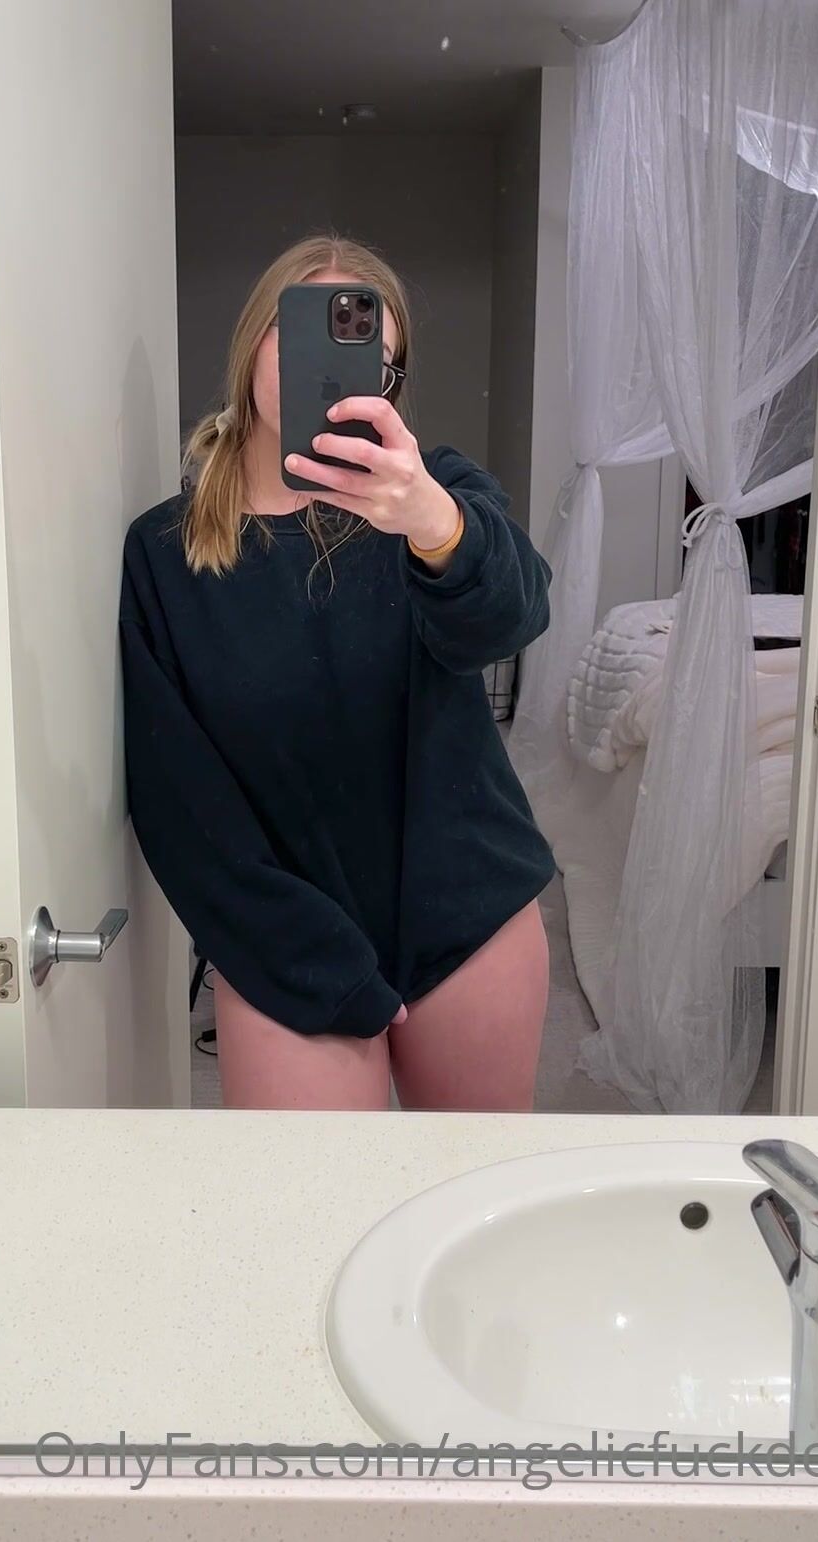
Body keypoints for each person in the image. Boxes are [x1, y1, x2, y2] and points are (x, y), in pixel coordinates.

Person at [120, 235, 556, 1110]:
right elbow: (179, 801)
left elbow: (513, 618)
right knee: (308, 1199)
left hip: (469, 913)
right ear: (254, 341)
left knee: (475, 1189)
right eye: (303, 331)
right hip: (286, 949)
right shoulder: (166, 553)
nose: (327, 364)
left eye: (366, 353)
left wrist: (434, 522)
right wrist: (310, 962)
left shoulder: (436, 496)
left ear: (387, 384)